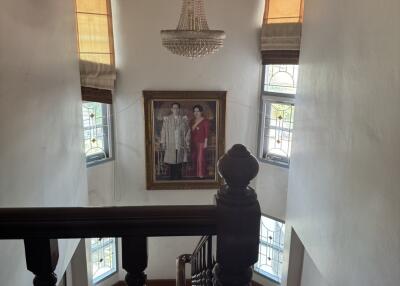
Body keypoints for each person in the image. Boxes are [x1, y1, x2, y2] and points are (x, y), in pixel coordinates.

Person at [160, 102, 190, 180]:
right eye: (174, 108)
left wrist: (187, 143)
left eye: (177, 108)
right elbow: (163, 131)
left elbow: (188, 131)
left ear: (179, 109)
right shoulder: (167, 119)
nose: (175, 109)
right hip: (171, 143)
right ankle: (172, 178)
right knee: (172, 161)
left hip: (180, 143)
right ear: (171, 109)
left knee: (179, 161)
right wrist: (163, 142)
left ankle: (179, 178)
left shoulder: (183, 119)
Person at [190, 105, 209, 179]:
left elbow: (207, 133)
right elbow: (191, 132)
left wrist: (206, 143)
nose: (196, 112)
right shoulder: (192, 121)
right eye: (195, 111)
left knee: (200, 159)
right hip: (193, 142)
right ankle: (196, 173)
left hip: (201, 142)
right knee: (194, 158)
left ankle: (201, 174)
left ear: (201, 112)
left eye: (198, 111)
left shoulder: (205, 121)